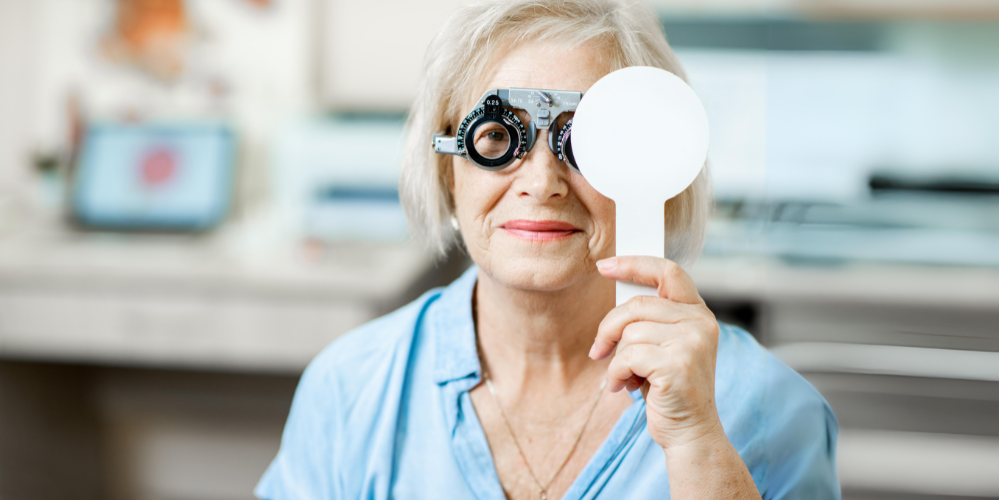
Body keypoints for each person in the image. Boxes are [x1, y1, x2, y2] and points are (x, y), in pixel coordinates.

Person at [255, 1, 839, 499]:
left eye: (585, 140)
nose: (542, 182)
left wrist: (698, 445)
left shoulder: (769, 413)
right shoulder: (351, 390)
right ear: (447, 169)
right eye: (496, 138)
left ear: (655, 169)